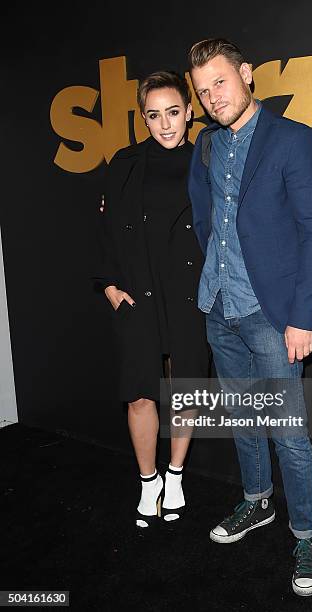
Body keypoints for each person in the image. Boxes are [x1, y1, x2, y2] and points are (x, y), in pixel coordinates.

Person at [187, 39, 312, 596]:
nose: (211, 97)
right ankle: (256, 504)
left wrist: (302, 316)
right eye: (202, 90)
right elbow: (206, 218)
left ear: (247, 75)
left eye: (219, 82)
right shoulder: (206, 144)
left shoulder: (293, 139)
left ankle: (305, 536)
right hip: (219, 307)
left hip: (273, 317)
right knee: (244, 421)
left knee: (287, 432)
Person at [94, 71, 209, 528]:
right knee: (141, 394)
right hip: (137, 293)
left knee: (185, 389)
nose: (165, 125)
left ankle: (176, 474)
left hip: (190, 291)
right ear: (143, 118)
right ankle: (149, 481)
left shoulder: (209, 157)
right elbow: (103, 230)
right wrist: (107, 284)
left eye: (174, 112)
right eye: (154, 115)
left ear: (189, 111)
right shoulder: (123, 162)